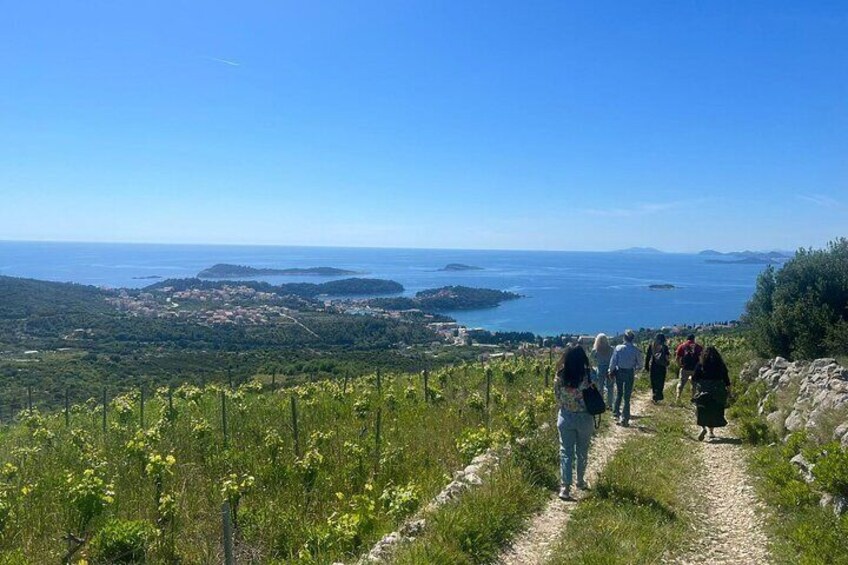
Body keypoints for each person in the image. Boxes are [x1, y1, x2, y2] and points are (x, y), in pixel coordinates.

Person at [554, 345, 595, 500]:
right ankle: (580, 481)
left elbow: (557, 397)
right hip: (584, 418)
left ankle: (565, 487)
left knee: (566, 451)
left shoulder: (560, 376)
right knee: (582, 451)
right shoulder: (589, 375)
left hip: (565, 417)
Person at [691, 345, 731, 441]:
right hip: (717, 391)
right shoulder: (721, 365)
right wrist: (729, 392)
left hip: (703, 390)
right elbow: (726, 380)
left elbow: (694, 378)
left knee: (701, 409)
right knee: (713, 410)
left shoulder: (700, 364)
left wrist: (693, 388)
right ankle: (711, 432)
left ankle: (703, 427)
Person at [609, 329, 643, 427]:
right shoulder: (635, 350)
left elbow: (613, 361)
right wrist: (635, 369)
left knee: (619, 392)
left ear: (624, 338)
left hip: (619, 371)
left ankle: (616, 412)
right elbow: (640, 364)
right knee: (627, 396)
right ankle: (625, 418)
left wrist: (610, 371)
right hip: (629, 372)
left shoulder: (618, 348)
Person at [675, 333, 703, 401]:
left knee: (681, 383)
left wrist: (679, 365)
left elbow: (677, 358)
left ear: (687, 339)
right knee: (694, 385)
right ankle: (693, 398)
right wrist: (700, 367)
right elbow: (701, 358)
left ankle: (678, 397)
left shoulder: (682, 346)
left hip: (685, 368)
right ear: (694, 339)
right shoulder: (698, 347)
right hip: (695, 369)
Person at [644, 333, 670, 403]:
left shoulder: (651, 346)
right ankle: (659, 395)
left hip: (654, 366)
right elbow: (667, 357)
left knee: (654, 381)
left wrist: (646, 365)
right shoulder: (665, 347)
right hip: (662, 367)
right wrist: (667, 363)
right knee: (661, 381)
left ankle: (654, 395)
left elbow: (648, 356)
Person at [591, 333, 614, 408]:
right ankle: (610, 404)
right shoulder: (611, 349)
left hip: (600, 369)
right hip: (609, 369)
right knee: (610, 387)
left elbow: (591, 359)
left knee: (600, 387)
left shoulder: (595, 350)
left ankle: (601, 403)